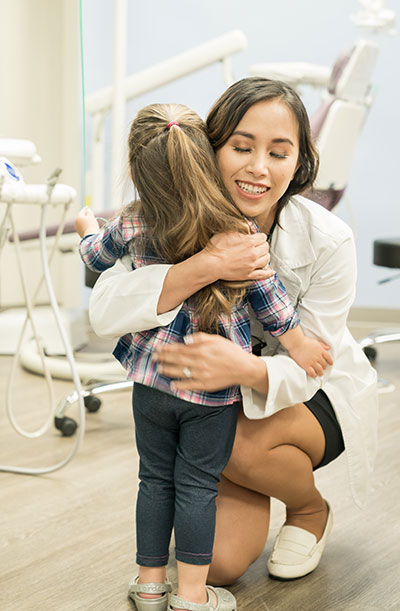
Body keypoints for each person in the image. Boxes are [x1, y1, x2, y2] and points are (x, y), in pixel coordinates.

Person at [86, 79, 378, 593]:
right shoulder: (168, 216)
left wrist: (245, 369)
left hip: (310, 395)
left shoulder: (329, 240)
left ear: (300, 160)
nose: (258, 168)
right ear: (208, 148)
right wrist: (204, 265)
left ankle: (309, 507)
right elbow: (106, 308)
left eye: (279, 152)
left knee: (238, 447)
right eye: (241, 147)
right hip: (208, 400)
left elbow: (314, 360)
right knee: (217, 565)